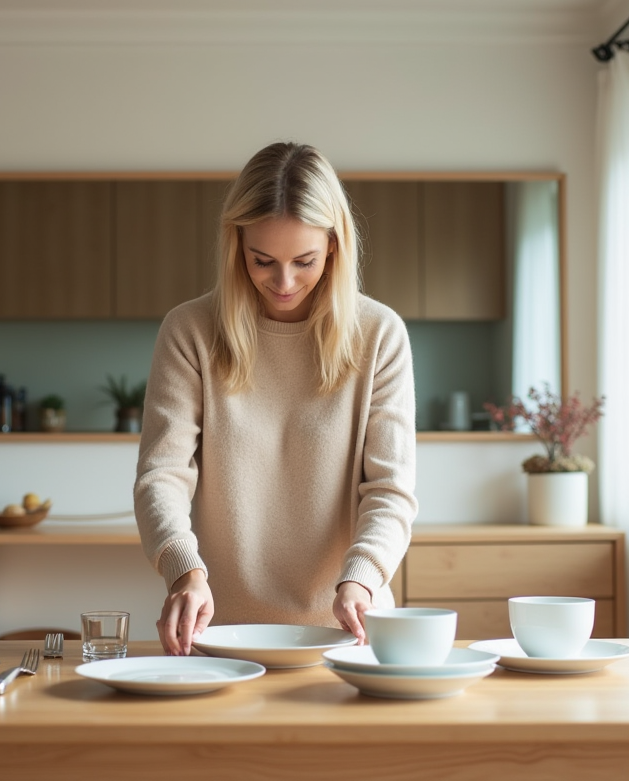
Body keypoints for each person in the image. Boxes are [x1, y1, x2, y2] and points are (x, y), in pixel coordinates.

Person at [133, 141, 418, 656]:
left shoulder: (380, 335)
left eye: (304, 261)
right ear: (235, 245)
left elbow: (390, 489)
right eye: (261, 260)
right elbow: (162, 474)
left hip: (351, 634)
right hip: (222, 636)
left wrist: (362, 578)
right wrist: (184, 571)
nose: (283, 282)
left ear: (334, 246)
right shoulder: (189, 331)